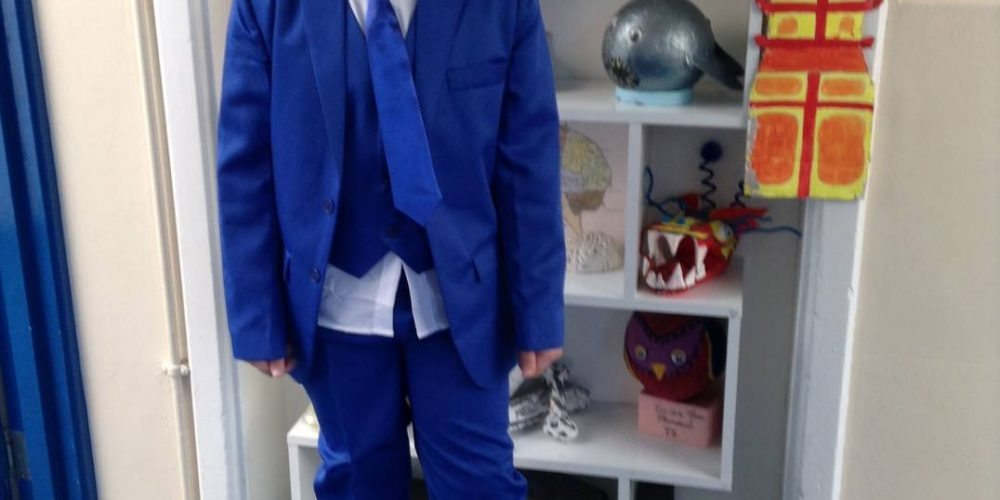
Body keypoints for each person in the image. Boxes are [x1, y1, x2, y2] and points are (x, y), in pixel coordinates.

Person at [215, 0, 565, 498]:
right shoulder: (265, 8)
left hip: (460, 302)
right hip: (333, 301)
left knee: (479, 482)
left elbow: (529, 157)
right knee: (357, 480)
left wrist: (540, 308)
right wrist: (256, 316)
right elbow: (245, 161)